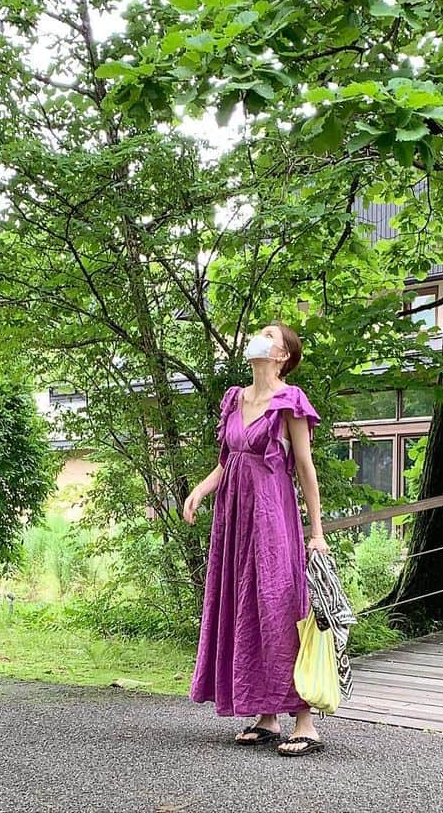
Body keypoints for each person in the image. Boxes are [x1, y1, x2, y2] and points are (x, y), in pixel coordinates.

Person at [183, 321, 329, 757]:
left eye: (270, 335)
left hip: (272, 519)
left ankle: (305, 719)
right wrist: (200, 490)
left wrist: (316, 532)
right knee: (246, 606)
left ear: (282, 355)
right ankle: (267, 716)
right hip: (235, 522)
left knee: (281, 606)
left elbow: (305, 469)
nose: (259, 339)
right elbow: (227, 461)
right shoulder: (235, 399)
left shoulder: (290, 401)